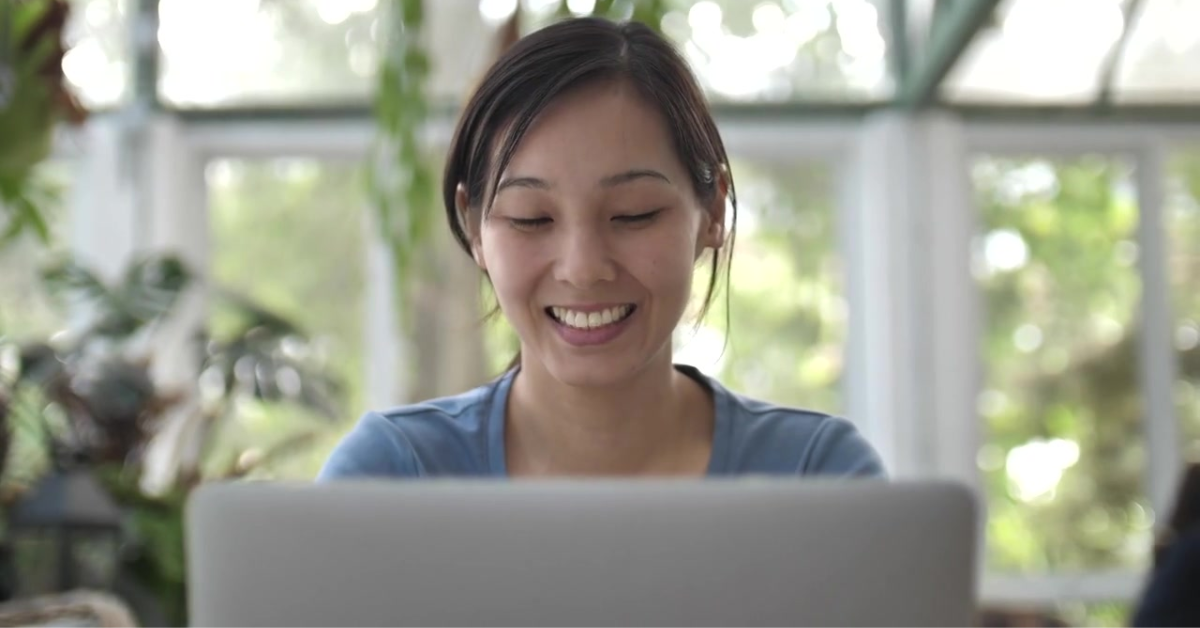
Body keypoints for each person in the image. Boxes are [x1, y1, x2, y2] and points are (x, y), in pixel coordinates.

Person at [318, 17, 883, 480]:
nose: (584, 268)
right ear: (474, 229)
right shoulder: (390, 477)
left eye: (633, 214)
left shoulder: (818, 478)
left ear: (711, 212)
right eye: (531, 218)